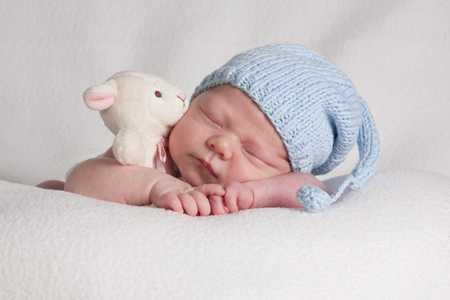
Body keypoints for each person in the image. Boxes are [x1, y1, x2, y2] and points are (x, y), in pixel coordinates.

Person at [38, 43, 382, 215]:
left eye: (253, 151)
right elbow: (81, 181)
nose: (222, 145)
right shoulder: (156, 148)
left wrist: (254, 195)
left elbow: (310, 188)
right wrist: (157, 186)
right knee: (49, 190)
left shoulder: (248, 192)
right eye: (214, 119)